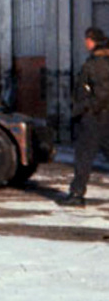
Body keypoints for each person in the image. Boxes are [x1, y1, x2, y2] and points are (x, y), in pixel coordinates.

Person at [61, 27, 109, 207]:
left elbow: (102, 93)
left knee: (83, 156)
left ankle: (76, 194)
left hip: (95, 118)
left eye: (87, 39)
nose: (85, 42)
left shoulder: (97, 64)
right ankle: (76, 192)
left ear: (94, 41)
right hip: (101, 116)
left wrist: (88, 109)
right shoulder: (98, 61)